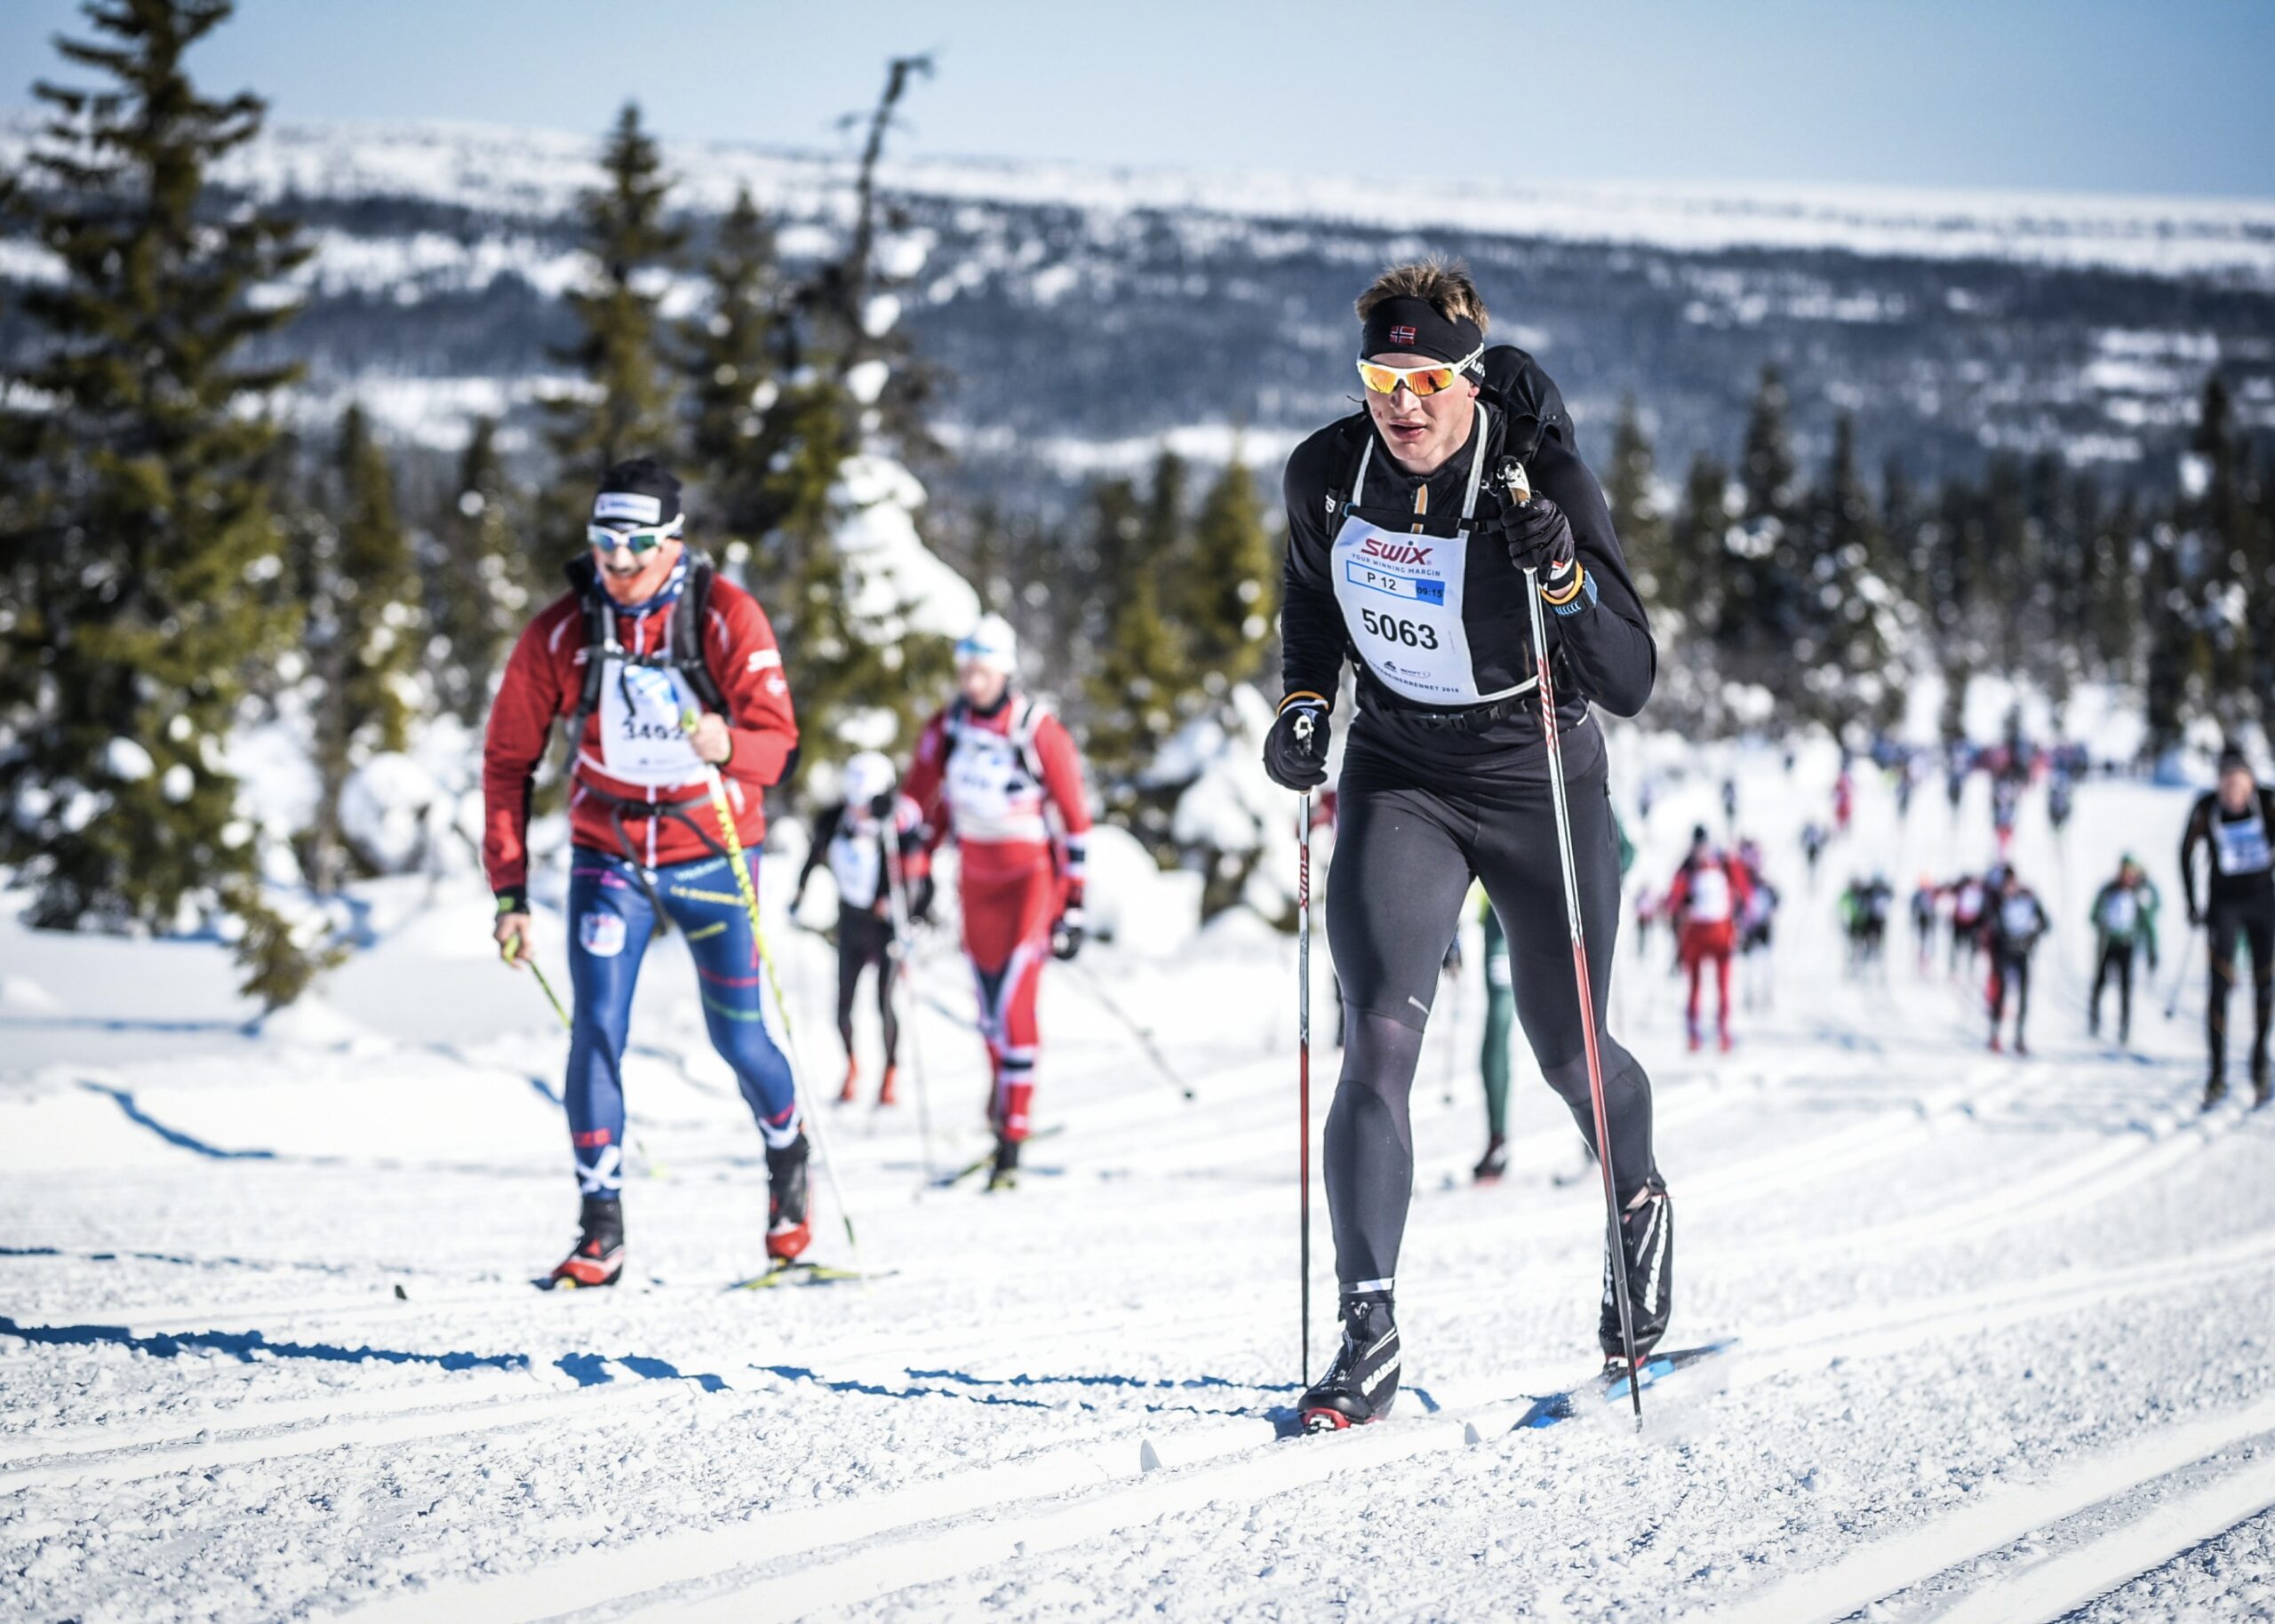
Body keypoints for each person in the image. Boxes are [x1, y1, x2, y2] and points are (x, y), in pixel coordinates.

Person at [1262, 258, 1664, 1428]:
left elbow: (1632, 679)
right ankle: (1367, 1328)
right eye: (1382, 377)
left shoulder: (1538, 480)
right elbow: (1310, 606)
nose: (1405, 403)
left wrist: (1566, 575)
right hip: (1402, 775)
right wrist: (1301, 707)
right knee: (1375, 1037)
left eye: (1427, 377)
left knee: (1566, 1048)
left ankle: (1633, 1198)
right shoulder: (1327, 475)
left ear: (1469, 376)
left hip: (1537, 774)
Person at [484, 458, 805, 1288]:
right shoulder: (562, 633)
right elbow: (508, 761)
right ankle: (600, 1229)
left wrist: (730, 744)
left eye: (635, 548)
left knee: (736, 1036)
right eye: (602, 546)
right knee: (596, 1030)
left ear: (673, 544)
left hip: (712, 848)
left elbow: (779, 742)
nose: (617, 566)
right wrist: (510, 892)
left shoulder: (727, 618)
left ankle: (787, 1154)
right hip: (611, 853)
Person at [903, 614, 1092, 1190]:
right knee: (987, 1008)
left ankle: (1012, 1135)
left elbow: (1075, 819)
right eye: (966, 669)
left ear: (1004, 670)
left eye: (982, 670)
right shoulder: (949, 726)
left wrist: (1075, 904)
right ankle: (1000, 1104)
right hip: (976, 882)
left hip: (1030, 881)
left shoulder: (1036, 729)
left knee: (1014, 1001)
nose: (972, 681)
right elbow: (919, 800)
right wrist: (916, 863)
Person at [792, 751, 928, 1107]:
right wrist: (799, 894)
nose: (858, 809)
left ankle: (890, 1074)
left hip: (887, 928)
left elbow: (919, 875)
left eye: (865, 801)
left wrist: (911, 914)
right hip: (851, 922)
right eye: (853, 800)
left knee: (883, 1001)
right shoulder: (836, 821)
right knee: (843, 1005)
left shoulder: (897, 826)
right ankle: (851, 1066)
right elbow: (814, 855)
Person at [2179, 746, 2275, 1107]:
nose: (2232, 792)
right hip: (2224, 906)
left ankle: (2259, 1062)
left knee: (2265, 984)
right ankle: (2217, 1074)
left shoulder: (2267, 803)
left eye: (2239, 782)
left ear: (2250, 780)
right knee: (2219, 987)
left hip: (2263, 903)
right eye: (2226, 782)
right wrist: (2192, 903)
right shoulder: (2207, 808)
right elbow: (2184, 852)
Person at [1667, 825, 1753, 1051]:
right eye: (1698, 846)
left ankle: (1723, 1032)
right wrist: (1681, 906)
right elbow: (1674, 898)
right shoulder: (1687, 867)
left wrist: (1743, 916)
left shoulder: (1724, 863)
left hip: (1721, 933)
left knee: (1723, 986)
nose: (1701, 851)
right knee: (1694, 985)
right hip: (1695, 934)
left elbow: (1744, 890)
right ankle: (1693, 1033)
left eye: (1704, 845)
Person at [2087, 855, 2159, 1047]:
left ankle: (2124, 1029)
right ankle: (2094, 1020)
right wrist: (2101, 923)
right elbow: (2093, 914)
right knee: (2100, 982)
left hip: (2127, 944)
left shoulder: (2138, 894)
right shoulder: (2108, 891)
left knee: (2125, 987)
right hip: (2108, 943)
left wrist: (2152, 951)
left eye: (2131, 873)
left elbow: (2148, 921)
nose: (2127, 876)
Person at [1473, 894, 1515, 1182]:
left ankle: (1599, 1138)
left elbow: (1623, 851)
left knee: (1571, 1025)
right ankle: (1497, 1140)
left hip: (1556, 910)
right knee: (1497, 1026)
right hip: (1501, 916)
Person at [1985, 869, 2048, 1054]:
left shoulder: (2028, 899)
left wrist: (2031, 937)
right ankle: (1995, 1034)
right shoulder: (1997, 901)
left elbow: (2044, 923)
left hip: (2022, 953)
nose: (2009, 888)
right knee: (2001, 993)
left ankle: (2020, 1036)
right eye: (2006, 885)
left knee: (2023, 995)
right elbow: (1991, 923)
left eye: (2012, 884)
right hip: (2004, 952)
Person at [1735, 839, 1777, 1011]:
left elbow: (1777, 900)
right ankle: (1750, 993)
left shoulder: (1765, 886)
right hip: (1750, 928)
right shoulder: (1744, 886)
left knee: (1766, 961)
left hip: (1763, 926)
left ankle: (1765, 992)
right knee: (1750, 963)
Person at [1948, 871, 1988, 976]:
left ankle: (1970, 971)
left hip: (1972, 925)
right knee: (1957, 948)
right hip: (1960, 924)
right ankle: (1954, 970)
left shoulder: (1981, 895)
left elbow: (1982, 911)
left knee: (1972, 949)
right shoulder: (1962, 890)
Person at [1910, 874, 1940, 975]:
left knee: (1930, 942)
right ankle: (1921, 962)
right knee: (1922, 942)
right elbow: (1913, 908)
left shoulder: (1932, 893)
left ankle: (1928, 961)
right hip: (1922, 921)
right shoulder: (1918, 895)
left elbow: (1936, 907)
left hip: (1930, 922)